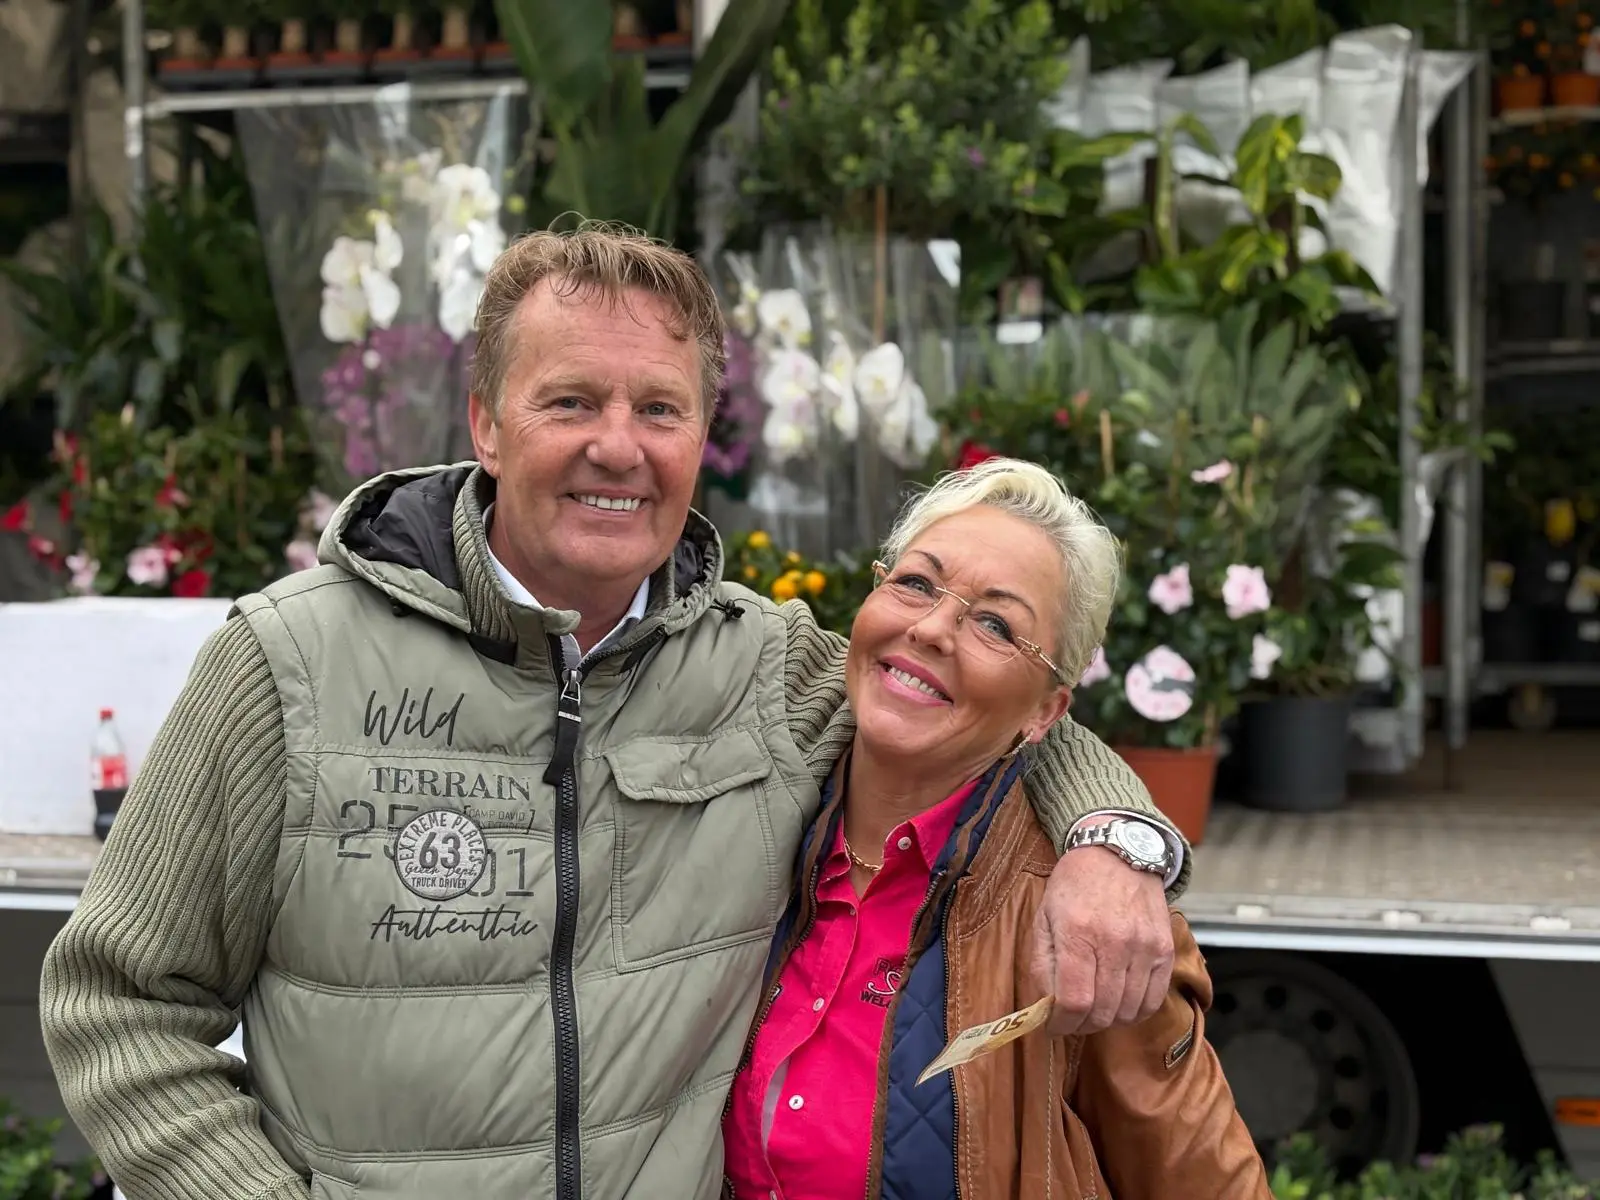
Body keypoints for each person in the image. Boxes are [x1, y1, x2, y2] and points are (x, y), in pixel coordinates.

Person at [40, 224, 1193, 1200]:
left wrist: (1113, 845)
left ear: (700, 437)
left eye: (659, 408)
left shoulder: (766, 669)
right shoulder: (286, 666)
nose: (618, 447)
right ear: (487, 423)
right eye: (571, 401)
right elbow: (119, 1004)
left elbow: (979, 694)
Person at [724, 458, 1268, 1200]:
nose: (932, 629)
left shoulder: (1089, 925)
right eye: (916, 583)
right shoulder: (747, 813)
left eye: (995, 624)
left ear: (1047, 711)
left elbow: (1204, 1182)